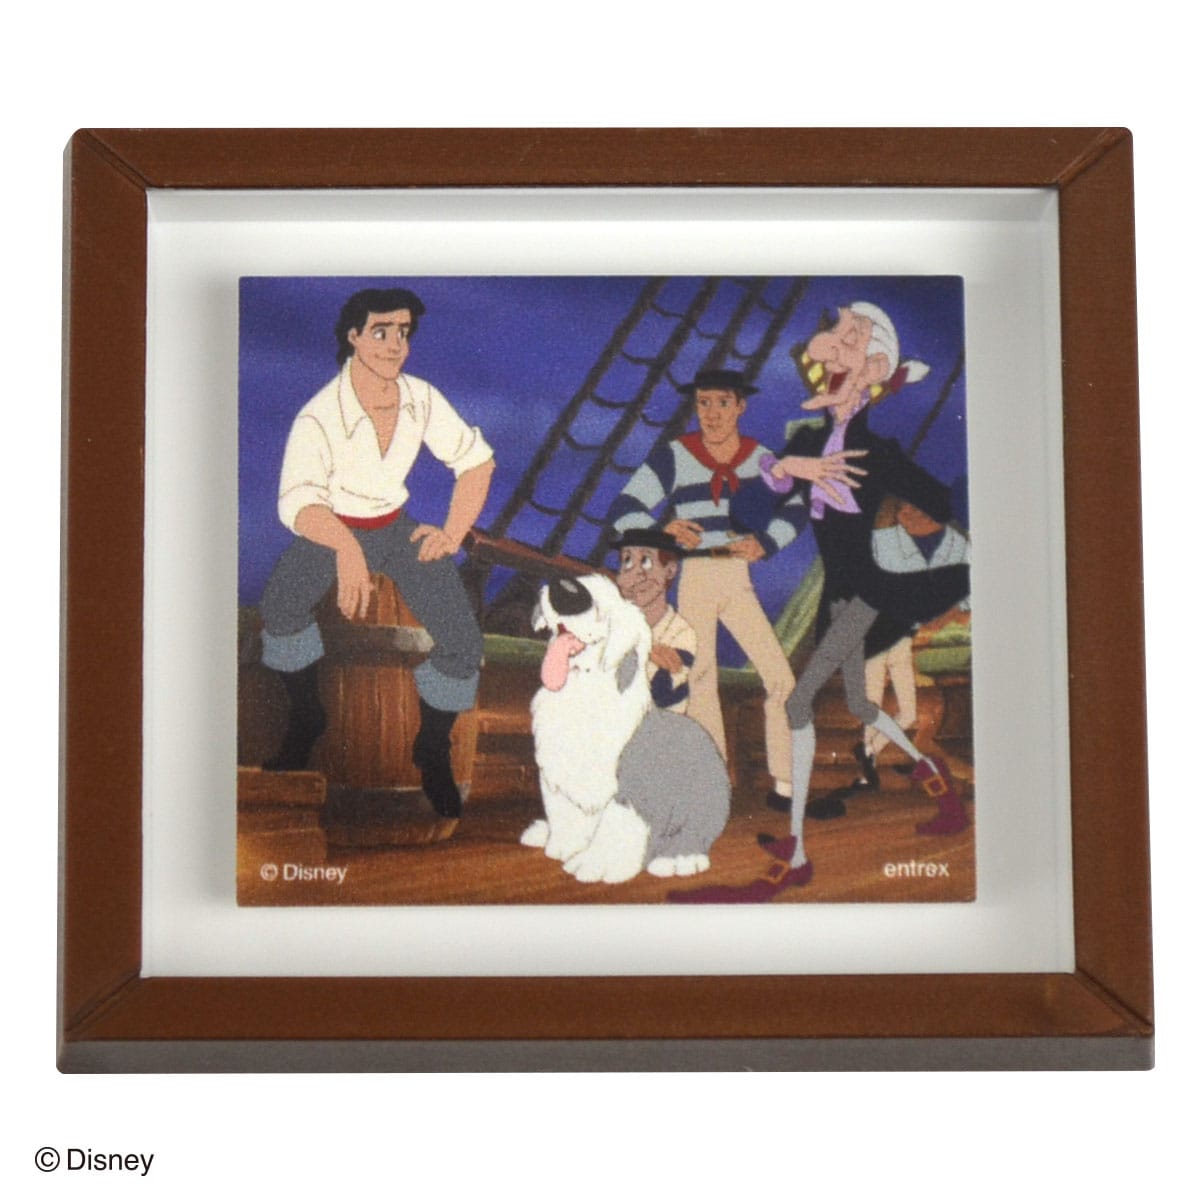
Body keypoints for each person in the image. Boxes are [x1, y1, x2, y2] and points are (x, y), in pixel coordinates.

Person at [670, 304, 969, 903]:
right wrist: (788, 468)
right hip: (841, 592)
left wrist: (900, 511)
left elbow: (940, 501)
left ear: (874, 370)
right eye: (833, 336)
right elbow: (758, 500)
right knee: (858, 702)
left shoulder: (876, 451)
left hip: (870, 589)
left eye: (850, 340)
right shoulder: (808, 439)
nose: (831, 347)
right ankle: (945, 799)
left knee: (800, 701)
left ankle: (797, 854)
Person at [258, 287, 495, 819]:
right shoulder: (319, 415)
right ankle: (307, 716)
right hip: (330, 529)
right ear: (354, 337)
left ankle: (431, 748)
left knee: (462, 640)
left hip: (395, 528)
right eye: (381, 332)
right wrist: (345, 548)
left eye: (403, 333)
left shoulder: (420, 398)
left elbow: (477, 464)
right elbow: (298, 503)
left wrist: (452, 532)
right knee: (281, 607)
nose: (395, 345)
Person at [610, 368, 866, 808]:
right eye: (703, 403)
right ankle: (711, 785)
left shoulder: (759, 458)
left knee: (780, 677)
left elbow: (795, 509)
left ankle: (786, 785)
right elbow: (625, 507)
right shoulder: (675, 455)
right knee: (699, 678)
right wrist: (662, 529)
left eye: (722, 403)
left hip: (737, 576)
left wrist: (766, 542)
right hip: (695, 575)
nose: (712, 413)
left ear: (740, 407)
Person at [612, 528, 697, 713]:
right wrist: (648, 652)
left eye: (646, 561)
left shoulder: (681, 632)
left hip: (659, 725)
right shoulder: (609, 622)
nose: (635, 574)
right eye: (627, 561)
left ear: (670, 570)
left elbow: (660, 695)